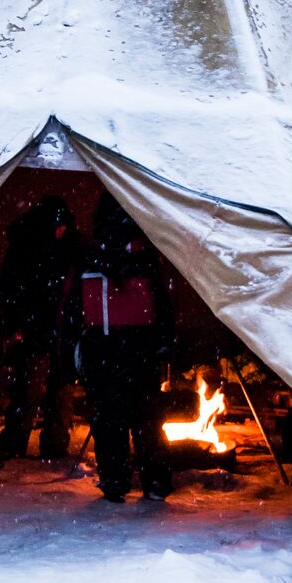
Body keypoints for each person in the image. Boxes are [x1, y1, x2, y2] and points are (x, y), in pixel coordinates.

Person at [78, 193, 174, 503]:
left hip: (107, 347)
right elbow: (163, 303)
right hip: (134, 347)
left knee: (114, 420)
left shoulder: (91, 255)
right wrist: (163, 343)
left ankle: (117, 480)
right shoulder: (145, 255)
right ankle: (150, 481)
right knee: (142, 419)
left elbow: (72, 306)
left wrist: (76, 345)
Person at [0, 195, 82, 461]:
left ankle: (50, 445)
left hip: (57, 330)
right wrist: (19, 324)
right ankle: (18, 443)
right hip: (40, 330)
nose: (61, 230)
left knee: (56, 390)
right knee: (31, 389)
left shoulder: (66, 248)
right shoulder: (29, 248)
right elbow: (12, 289)